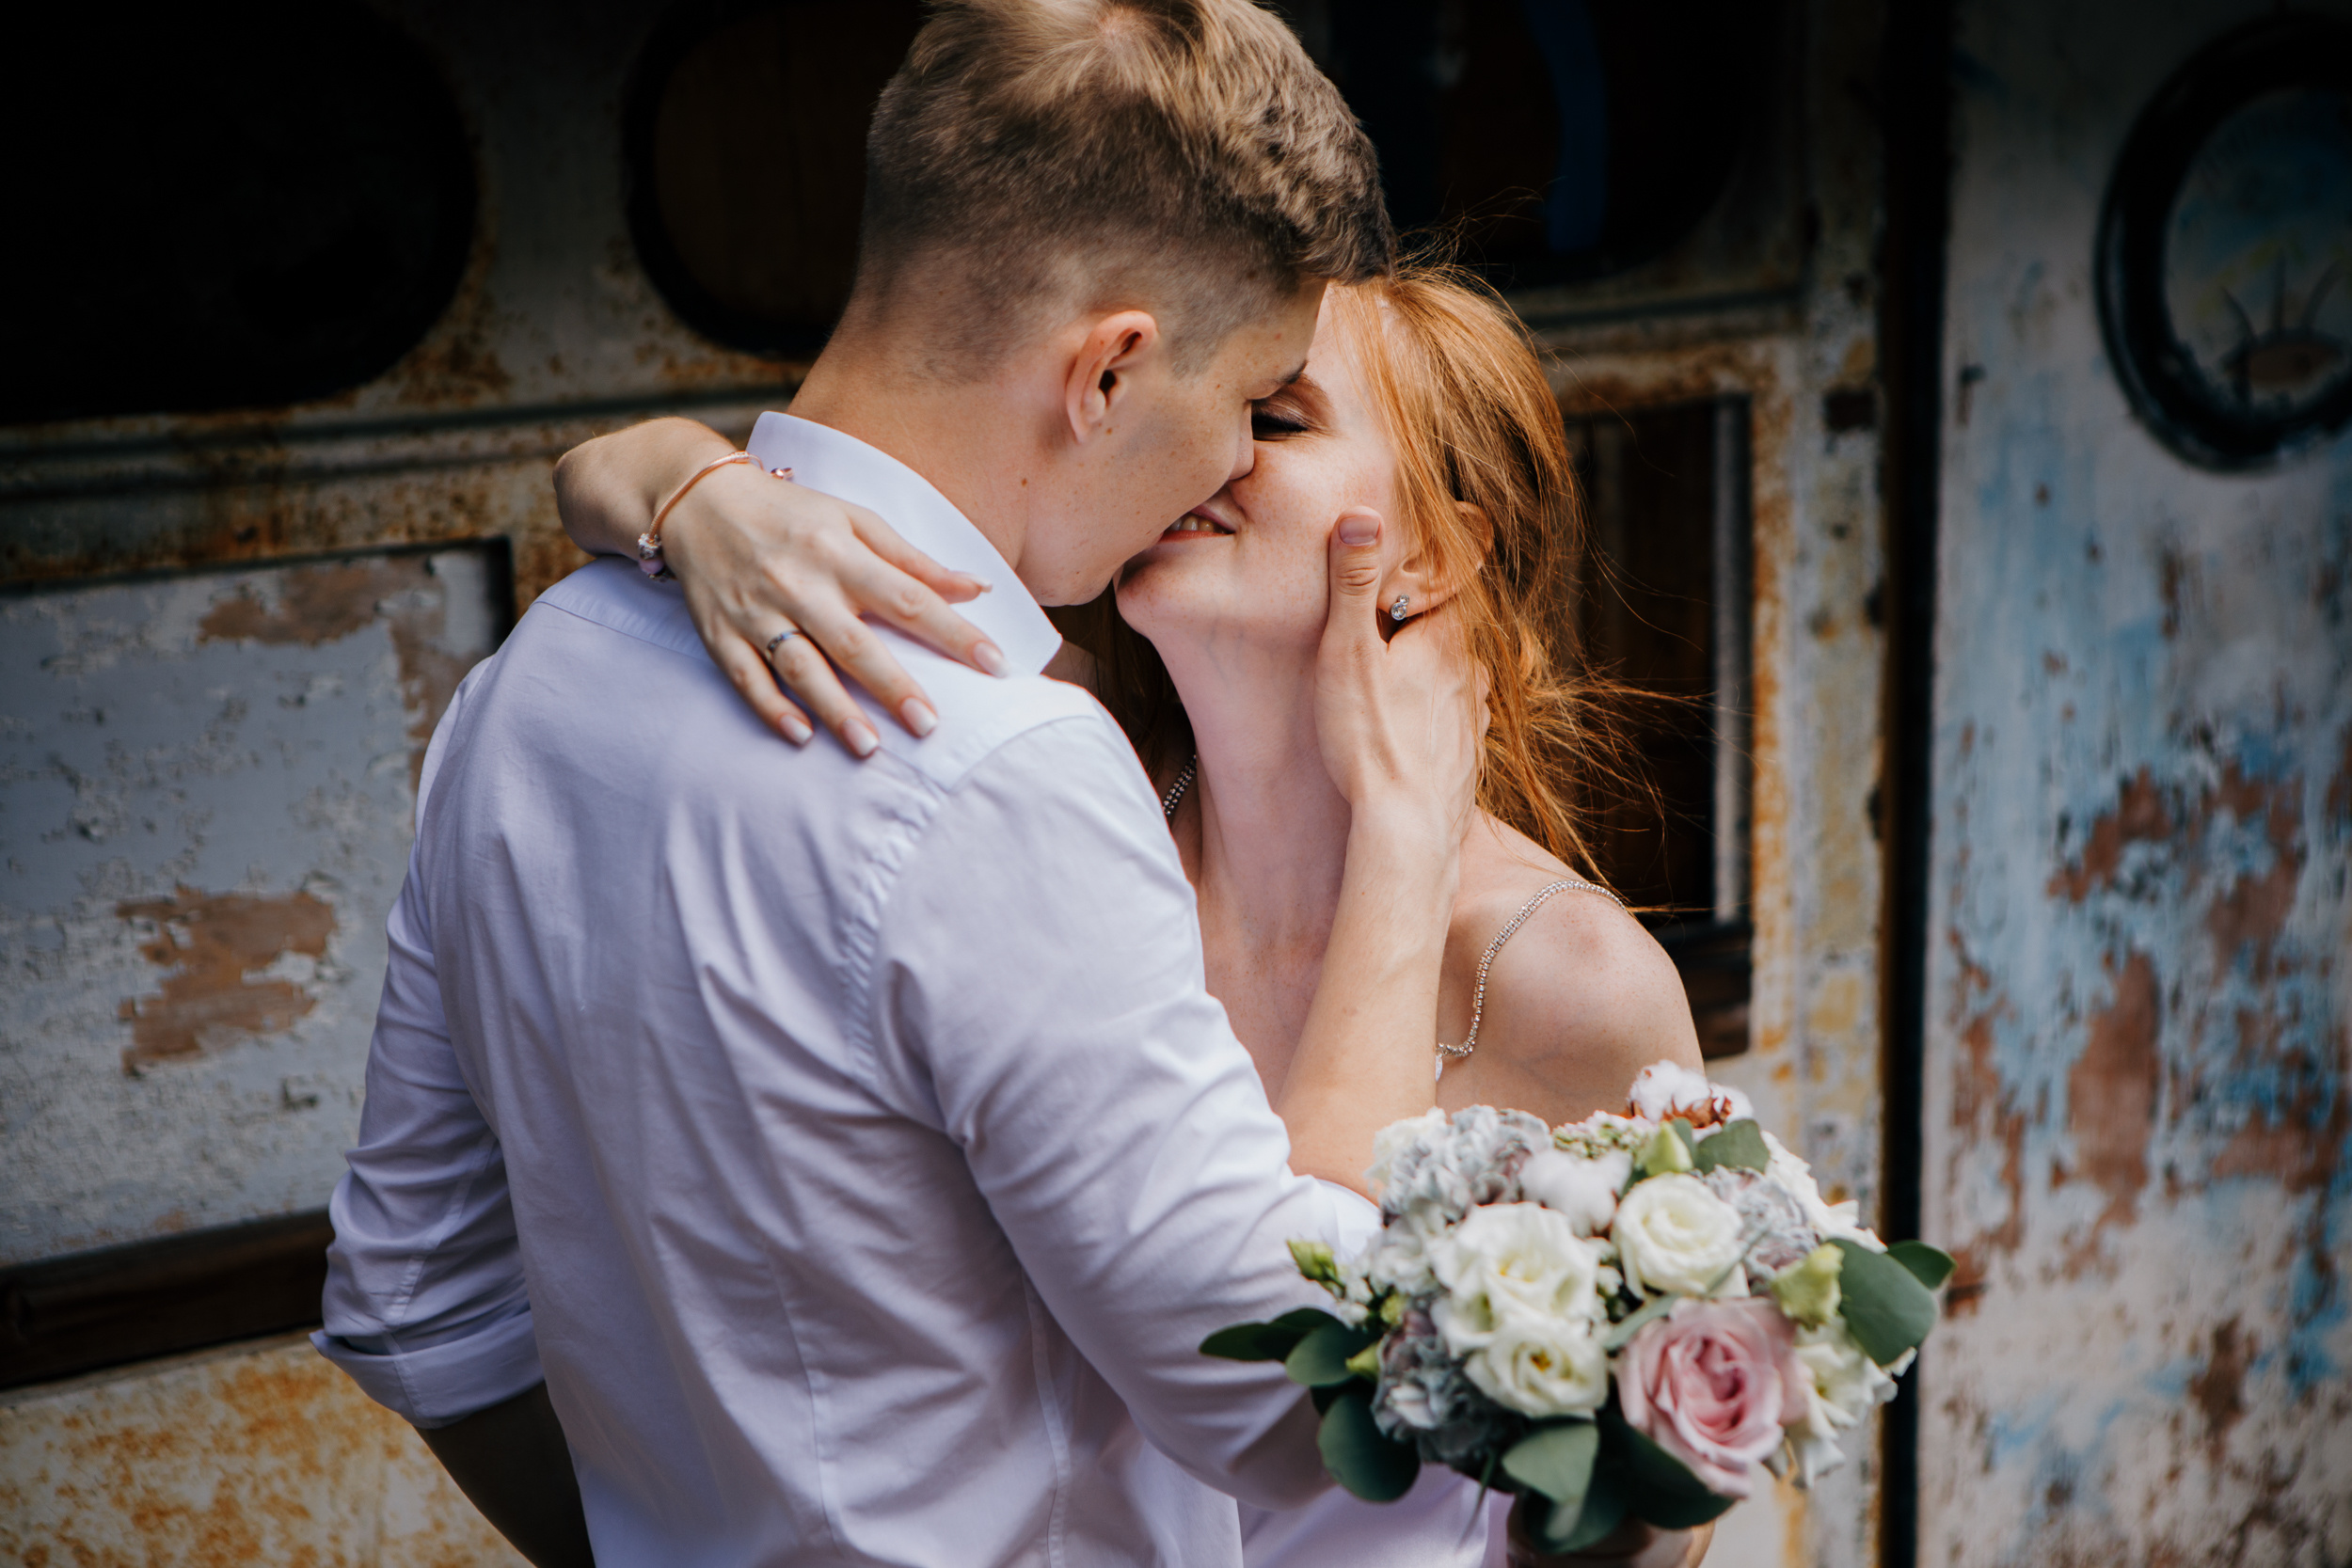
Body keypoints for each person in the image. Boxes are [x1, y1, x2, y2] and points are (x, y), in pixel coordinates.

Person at [315, 5, 1488, 1566]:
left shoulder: (525, 688)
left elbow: (418, 1314)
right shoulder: (1002, 769)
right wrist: (1407, 849)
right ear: (1111, 371)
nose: (1227, 469)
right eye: (1250, 398)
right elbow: (1298, 1403)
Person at [562, 261, 1716, 1568]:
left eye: (1273, 423)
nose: (1209, 450)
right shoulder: (1047, 824)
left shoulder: (1567, 981)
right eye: (1215, 403)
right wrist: (699, 493)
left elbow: (1654, 1502)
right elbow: (596, 467)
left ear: (1440, 553)